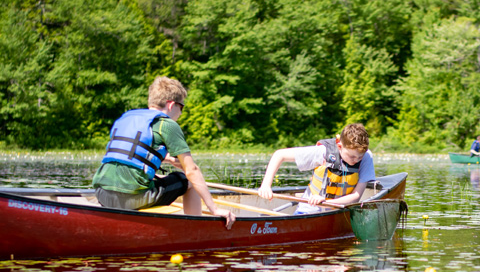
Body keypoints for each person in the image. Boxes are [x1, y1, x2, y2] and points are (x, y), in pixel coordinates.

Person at [92, 76, 235, 229]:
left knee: (159, 177)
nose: (180, 113)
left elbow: (131, 153)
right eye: (181, 107)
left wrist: (168, 159)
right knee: (188, 181)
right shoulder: (166, 124)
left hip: (102, 193)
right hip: (132, 198)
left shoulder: (127, 118)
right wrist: (214, 209)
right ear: (171, 104)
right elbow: (192, 170)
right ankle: (195, 229)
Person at [257, 123, 376, 212]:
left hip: (342, 210)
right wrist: (266, 185)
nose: (356, 160)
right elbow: (279, 154)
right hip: (311, 209)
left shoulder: (366, 156)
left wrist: (328, 203)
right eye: (351, 156)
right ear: (339, 146)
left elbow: (356, 196)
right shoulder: (323, 152)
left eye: (359, 157)